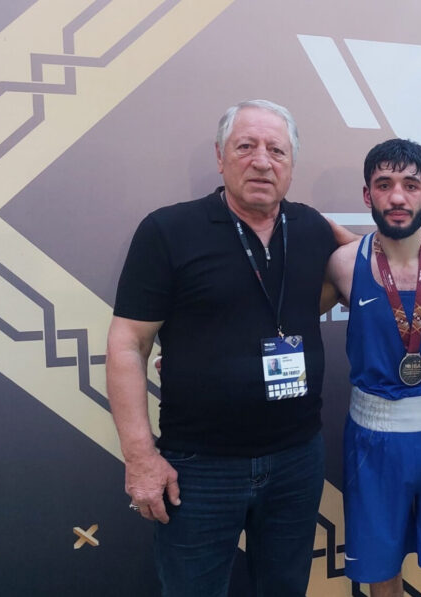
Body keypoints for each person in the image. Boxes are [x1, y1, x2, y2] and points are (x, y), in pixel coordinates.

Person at [106, 99, 337, 596]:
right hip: (199, 467)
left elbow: (372, 256)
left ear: (292, 164)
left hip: (297, 459)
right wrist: (140, 456)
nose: (262, 161)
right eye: (246, 146)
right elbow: (128, 343)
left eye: (277, 150)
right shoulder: (168, 231)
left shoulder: (312, 228)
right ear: (220, 156)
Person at [322, 139, 421, 597]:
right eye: (384, 184)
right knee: (381, 576)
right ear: (367, 194)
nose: (397, 197)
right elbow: (277, 317)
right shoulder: (343, 264)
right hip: (372, 443)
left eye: (410, 185)